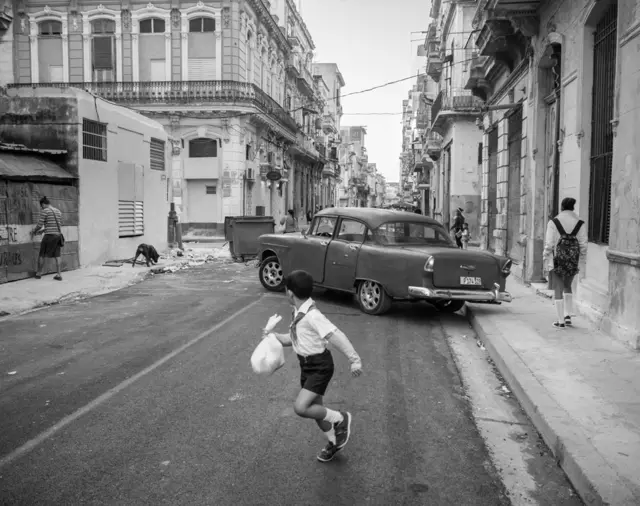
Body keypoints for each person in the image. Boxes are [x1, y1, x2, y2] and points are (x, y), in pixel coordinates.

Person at [265, 270, 363, 462]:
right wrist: (272, 336)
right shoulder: (298, 313)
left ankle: (341, 418)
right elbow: (292, 340)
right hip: (307, 366)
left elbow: (337, 335)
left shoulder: (312, 316)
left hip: (320, 366)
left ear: (290, 292)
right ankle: (334, 442)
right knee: (317, 412)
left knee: (301, 407)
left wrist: (355, 359)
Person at [543, 197, 588, 329]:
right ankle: (568, 316)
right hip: (573, 260)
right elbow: (583, 244)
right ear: (573, 207)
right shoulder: (580, 223)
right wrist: (581, 260)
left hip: (557, 259)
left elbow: (549, 243)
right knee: (568, 285)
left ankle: (560, 321)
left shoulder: (554, 222)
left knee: (558, 287)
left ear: (561, 207)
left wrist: (546, 256)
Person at [31, 196, 64, 280]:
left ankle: (38, 273)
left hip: (49, 236)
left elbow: (39, 224)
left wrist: (35, 231)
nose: (41, 208)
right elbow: (55, 225)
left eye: (41, 206)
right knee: (57, 255)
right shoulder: (58, 211)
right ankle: (59, 274)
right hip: (57, 236)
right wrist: (43, 230)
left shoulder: (45, 211)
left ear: (43, 204)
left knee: (42, 254)